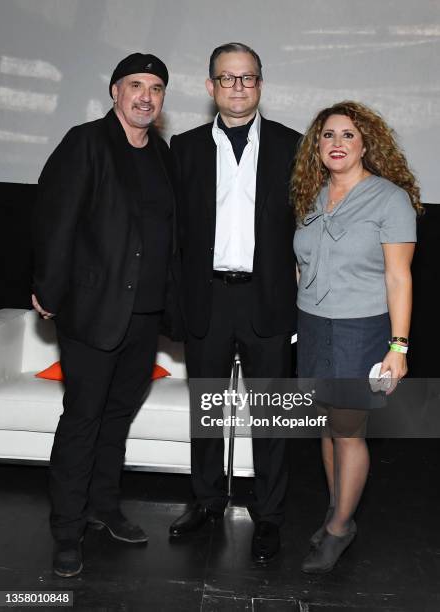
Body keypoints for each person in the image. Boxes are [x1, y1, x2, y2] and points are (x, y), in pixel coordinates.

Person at [32, 53, 179, 577]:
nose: (146, 95)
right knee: (83, 421)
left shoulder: (162, 155)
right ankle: (67, 530)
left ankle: (103, 505)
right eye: (136, 84)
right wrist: (49, 290)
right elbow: (56, 219)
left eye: (156, 87)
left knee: (117, 419)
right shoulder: (85, 142)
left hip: (145, 317)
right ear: (115, 90)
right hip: (94, 310)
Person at [169, 42, 301, 563]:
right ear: (210, 87)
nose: (238, 87)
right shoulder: (184, 147)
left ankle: (269, 517)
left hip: (267, 299)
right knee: (206, 410)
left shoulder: (294, 145)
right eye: (227, 78)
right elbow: (172, 231)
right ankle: (205, 502)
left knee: (271, 417)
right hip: (207, 299)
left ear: (260, 85)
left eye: (247, 78)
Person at [291, 100, 422, 573]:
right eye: (328, 135)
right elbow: (302, 261)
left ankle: (341, 528)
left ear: (367, 143)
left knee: (348, 430)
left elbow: (399, 278)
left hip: (361, 330)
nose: (337, 143)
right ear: (317, 146)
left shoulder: (389, 199)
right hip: (312, 326)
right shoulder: (311, 194)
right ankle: (336, 510)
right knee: (325, 426)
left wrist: (399, 346)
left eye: (348, 134)